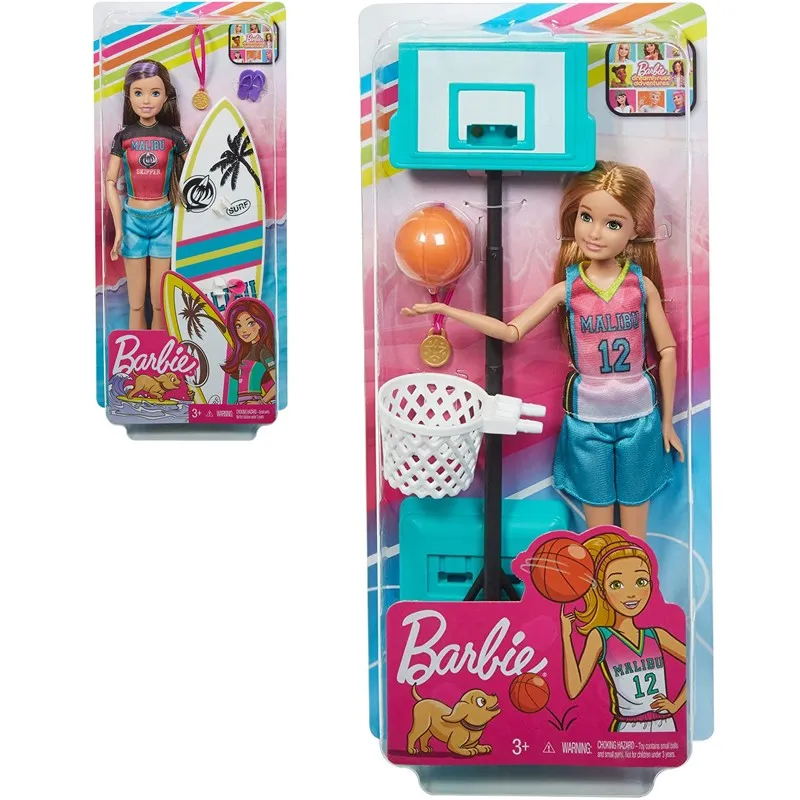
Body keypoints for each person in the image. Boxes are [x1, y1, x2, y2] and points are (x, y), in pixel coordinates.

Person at [402, 162, 684, 539]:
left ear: (636, 230)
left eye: (613, 224)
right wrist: (446, 309)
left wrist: (666, 421)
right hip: (587, 420)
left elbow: (667, 350)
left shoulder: (640, 285)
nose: (594, 233)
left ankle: (638, 579)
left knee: (635, 537)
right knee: (599, 534)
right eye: (586, 217)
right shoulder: (569, 289)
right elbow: (511, 331)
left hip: (641, 417)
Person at [560, 531, 686, 732]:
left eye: (641, 582)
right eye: (616, 584)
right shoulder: (601, 637)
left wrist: (676, 705)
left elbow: (694, 663)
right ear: (602, 591)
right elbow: (574, 689)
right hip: (629, 726)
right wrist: (566, 637)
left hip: (665, 724)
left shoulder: (656, 635)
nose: (631, 593)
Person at [106, 60, 189, 330]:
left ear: (166, 96)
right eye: (138, 93)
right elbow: (110, 181)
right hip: (132, 222)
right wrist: (119, 229)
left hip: (164, 219)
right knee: (136, 304)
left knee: (160, 302)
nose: (146, 101)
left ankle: (162, 352)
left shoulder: (173, 137)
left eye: (155, 93)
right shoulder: (123, 137)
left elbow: (196, 171)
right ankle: (137, 353)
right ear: (128, 96)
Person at [222, 297, 277, 404]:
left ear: (260, 324)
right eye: (238, 325)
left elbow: (278, 381)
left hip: (252, 401)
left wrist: (262, 402)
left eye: (250, 323)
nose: (244, 330)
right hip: (240, 402)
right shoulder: (245, 351)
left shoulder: (263, 351)